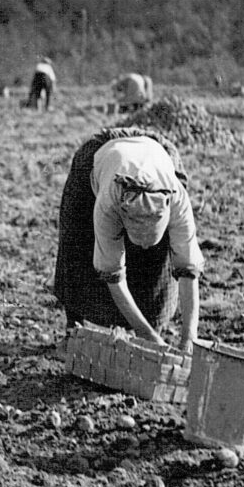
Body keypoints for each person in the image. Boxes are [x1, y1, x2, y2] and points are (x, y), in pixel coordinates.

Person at [54, 127, 204, 352]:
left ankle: (153, 330)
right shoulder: (109, 203)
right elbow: (112, 274)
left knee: (158, 266)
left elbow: (188, 270)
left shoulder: (176, 200)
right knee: (77, 245)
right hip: (101, 157)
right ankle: (72, 330)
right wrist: (149, 337)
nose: (143, 247)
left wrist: (189, 339)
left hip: (158, 150)